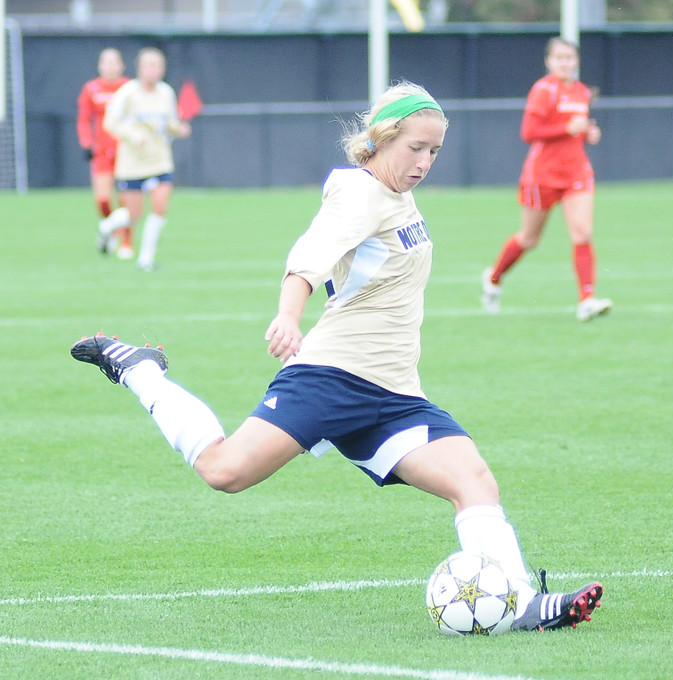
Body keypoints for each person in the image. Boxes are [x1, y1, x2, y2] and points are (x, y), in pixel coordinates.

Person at [71, 82, 603, 632]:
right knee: (224, 470)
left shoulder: (398, 194)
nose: (424, 162)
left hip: (395, 394)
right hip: (332, 378)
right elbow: (309, 259)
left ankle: (521, 606)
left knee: (474, 482)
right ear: (382, 138)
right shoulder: (359, 192)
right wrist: (287, 315)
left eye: (435, 151)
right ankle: (138, 367)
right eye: (415, 147)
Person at [481, 37, 612, 322]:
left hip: (576, 173)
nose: (565, 62)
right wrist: (567, 127)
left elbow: (575, 131)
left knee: (582, 232)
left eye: (570, 58)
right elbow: (529, 132)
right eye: (559, 58)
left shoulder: (580, 92)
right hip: (542, 176)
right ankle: (493, 279)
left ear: (576, 61)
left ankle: (586, 300)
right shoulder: (543, 90)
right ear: (549, 61)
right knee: (529, 238)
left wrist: (587, 134)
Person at [99, 47, 191, 271]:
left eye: (158, 65)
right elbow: (110, 122)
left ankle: (146, 258)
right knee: (134, 215)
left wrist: (179, 129)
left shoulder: (166, 93)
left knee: (160, 205)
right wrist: (132, 135)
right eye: (149, 65)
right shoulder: (127, 93)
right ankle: (107, 226)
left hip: (159, 160)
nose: (154, 70)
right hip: (132, 162)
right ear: (139, 68)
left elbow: (169, 123)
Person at [76, 47, 131, 258]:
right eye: (105, 62)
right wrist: (86, 143)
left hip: (125, 151)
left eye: (114, 62)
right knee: (103, 200)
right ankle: (113, 230)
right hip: (101, 152)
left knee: (127, 199)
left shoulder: (128, 88)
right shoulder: (91, 89)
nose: (109, 66)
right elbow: (83, 118)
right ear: (99, 66)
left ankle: (127, 242)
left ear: (121, 65)